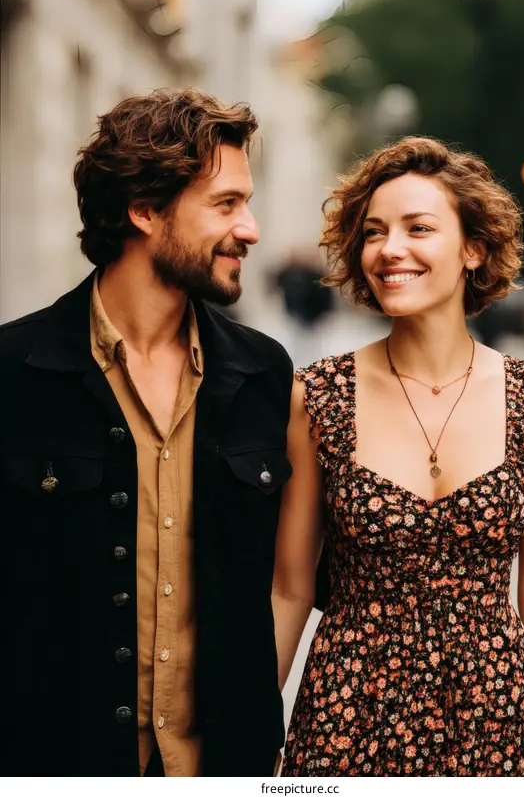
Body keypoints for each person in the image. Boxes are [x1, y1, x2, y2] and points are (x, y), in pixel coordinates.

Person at [0, 89, 293, 777]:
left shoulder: (264, 374)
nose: (250, 230)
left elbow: (286, 583)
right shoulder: (13, 372)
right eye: (225, 204)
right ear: (145, 211)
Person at [273, 137, 524, 777]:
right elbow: (290, 587)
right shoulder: (318, 396)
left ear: (473, 249)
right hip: (347, 718)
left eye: (418, 228)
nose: (390, 249)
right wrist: (249, 731)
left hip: (499, 718)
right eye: (374, 232)